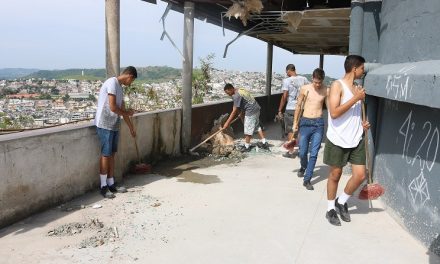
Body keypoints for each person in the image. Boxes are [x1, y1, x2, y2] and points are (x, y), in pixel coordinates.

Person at [324, 55, 370, 226]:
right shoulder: (337, 85)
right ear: (354, 68)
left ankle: (341, 201)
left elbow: (353, 113)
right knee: (335, 174)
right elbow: (334, 112)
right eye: (362, 69)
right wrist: (356, 98)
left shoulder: (357, 87)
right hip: (338, 138)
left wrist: (362, 124)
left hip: (356, 137)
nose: (363, 72)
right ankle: (330, 209)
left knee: (360, 175)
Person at [94, 66, 137, 198]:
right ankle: (103, 186)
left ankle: (111, 183)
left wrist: (130, 127)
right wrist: (127, 113)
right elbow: (113, 107)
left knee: (112, 154)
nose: (131, 84)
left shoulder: (120, 88)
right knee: (105, 155)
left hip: (114, 124)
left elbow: (122, 110)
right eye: (132, 81)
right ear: (129, 76)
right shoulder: (112, 83)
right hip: (104, 123)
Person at [293, 68, 328, 190]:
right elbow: (298, 106)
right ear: (313, 78)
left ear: (322, 80)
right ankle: (303, 167)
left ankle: (307, 179)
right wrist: (295, 123)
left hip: (318, 123)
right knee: (303, 151)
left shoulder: (325, 90)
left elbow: (330, 107)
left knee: (314, 153)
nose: (317, 84)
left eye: (320, 82)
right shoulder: (305, 88)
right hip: (305, 122)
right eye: (316, 82)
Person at [222, 83, 269, 152]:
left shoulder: (236, 96)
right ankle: (264, 142)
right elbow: (246, 102)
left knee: (247, 129)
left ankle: (247, 146)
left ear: (231, 89)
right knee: (257, 126)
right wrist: (241, 113)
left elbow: (234, 111)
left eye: (228, 92)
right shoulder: (241, 90)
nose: (228, 94)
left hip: (251, 111)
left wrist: (226, 123)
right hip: (256, 108)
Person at [277, 64, 310, 158]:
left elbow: (284, 96)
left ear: (288, 71)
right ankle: (300, 150)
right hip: (302, 108)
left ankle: (291, 152)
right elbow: (309, 91)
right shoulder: (304, 79)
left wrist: (280, 109)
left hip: (291, 108)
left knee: (290, 130)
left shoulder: (287, 81)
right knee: (300, 130)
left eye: (286, 72)